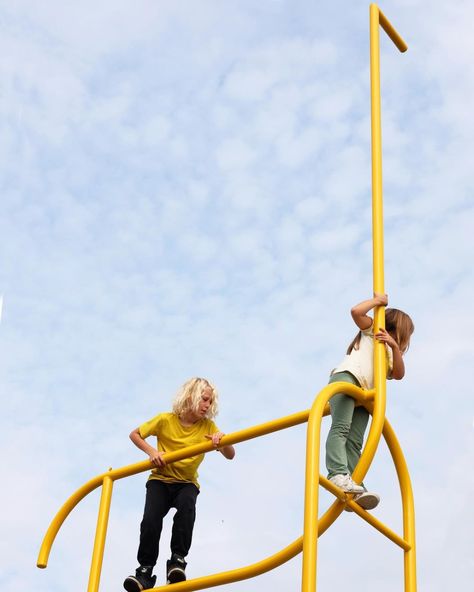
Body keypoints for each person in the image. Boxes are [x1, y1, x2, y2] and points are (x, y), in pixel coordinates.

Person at [123, 377, 235, 592]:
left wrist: (223, 440)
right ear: (190, 397)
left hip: (186, 483)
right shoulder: (165, 420)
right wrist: (152, 452)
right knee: (150, 521)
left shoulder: (208, 426)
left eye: (210, 402)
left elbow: (230, 455)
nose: (207, 406)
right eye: (204, 400)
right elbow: (134, 434)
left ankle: (177, 561)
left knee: (186, 510)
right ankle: (145, 572)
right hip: (160, 480)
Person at [325, 293, 414, 510]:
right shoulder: (373, 330)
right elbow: (356, 312)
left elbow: (399, 374)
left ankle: (352, 485)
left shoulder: (391, 352)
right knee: (341, 429)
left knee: (356, 441)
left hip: (366, 395)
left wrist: (394, 346)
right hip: (348, 378)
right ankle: (337, 473)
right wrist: (378, 302)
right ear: (400, 329)